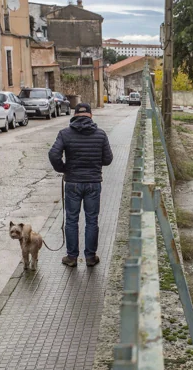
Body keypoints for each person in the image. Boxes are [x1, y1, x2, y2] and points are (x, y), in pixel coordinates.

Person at [48, 103, 113, 267]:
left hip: (73, 183)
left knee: (71, 220)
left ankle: (72, 258)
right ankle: (90, 257)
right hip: (93, 183)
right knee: (92, 220)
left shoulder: (65, 134)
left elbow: (53, 154)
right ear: (91, 115)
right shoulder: (100, 134)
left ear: (75, 115)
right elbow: (108, 159)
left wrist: (63, 169)